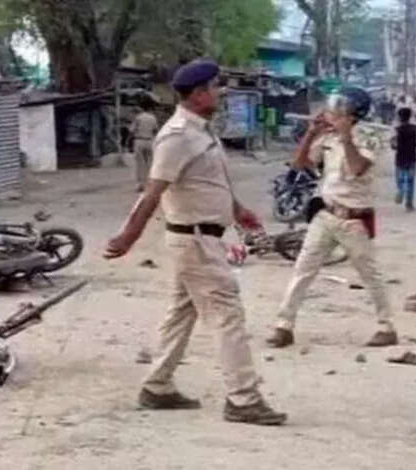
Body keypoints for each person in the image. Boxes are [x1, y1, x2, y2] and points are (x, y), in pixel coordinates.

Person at [104, 60, 287, 426]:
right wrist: (129, 236)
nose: (221, 93)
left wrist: (237, 210)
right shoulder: (177, 137)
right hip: (195, 240)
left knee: (181, 314)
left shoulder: (201, 132)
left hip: (201, 238)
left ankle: (156, 386)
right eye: (216, 87)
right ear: (200, 93)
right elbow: (152, 192)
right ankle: (243, 398)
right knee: (228, 315)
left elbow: (208, 183)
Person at [266, 87, 397, 349]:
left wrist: (347, 138)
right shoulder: (328, 138)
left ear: (352, 113)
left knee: (370, 274)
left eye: (339, 108)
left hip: (354, 219)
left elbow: (358, 169)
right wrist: (311, 134)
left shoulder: (369, 137)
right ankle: (284, 326)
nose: (331, 112)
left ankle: (387, 327)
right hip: (326, 213)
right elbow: (300, 164)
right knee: (303, 269)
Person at [130, 99, 159, 192]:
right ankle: (150, 183)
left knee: (140, 164)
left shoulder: (138, 117)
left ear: (142, 108)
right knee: (150, 163)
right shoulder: (153, 118)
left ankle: (140, 184)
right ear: (150, 108)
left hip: (139, 140)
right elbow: (155, 130)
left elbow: (131, 130)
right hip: (149, 140)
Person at [394, 108, 416, 212]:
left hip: (400, 158)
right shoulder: (414, 129)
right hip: (412, 157)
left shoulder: (397, 129)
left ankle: (401, 191)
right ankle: (409, 204)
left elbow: (393, 144)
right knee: (410, 181)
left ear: (399, 117)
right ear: (410, 116)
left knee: (400, 179)